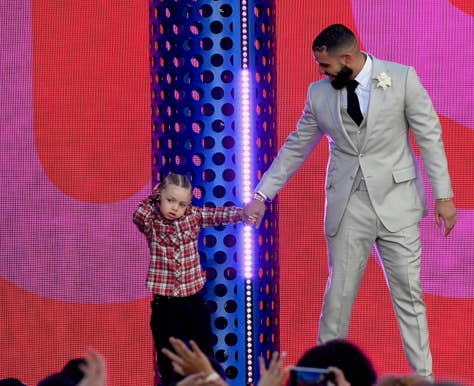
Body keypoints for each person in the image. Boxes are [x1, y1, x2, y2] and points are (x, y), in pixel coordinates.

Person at [243, 23, 457, 380]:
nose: (321, 72)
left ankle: (424, 379)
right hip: (349, 206)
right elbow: (297, 146)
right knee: (337, 300)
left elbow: (429, 136)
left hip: (398, 203)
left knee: (410, 298)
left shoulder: (402, 78)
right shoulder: (319, 94)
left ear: (347, 57)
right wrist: (262, 193)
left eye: (325, 66)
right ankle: (323, 376)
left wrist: (444, 196)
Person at [133, 173, 245, 385]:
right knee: (168, 361)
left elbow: (218, 215)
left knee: (204, 354)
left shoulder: (192, 217)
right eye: (170, 200)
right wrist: (154, 196)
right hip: (165, 305)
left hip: (193, 301)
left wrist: (242, 213)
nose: (175, 207)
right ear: (160, 197)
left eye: (182, 204)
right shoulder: (152, 222)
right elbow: (138, 213)